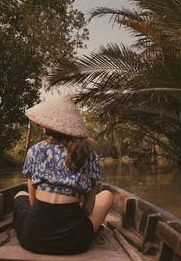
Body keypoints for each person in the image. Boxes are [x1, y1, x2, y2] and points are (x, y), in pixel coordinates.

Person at [13, 96, 114, 255]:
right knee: (107, 195)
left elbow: (32, 203)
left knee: (20, 194)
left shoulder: (35, 151)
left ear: (47, 127)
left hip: (33, 238)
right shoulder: (88, 153)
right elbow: (88, 209)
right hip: (74, 241)